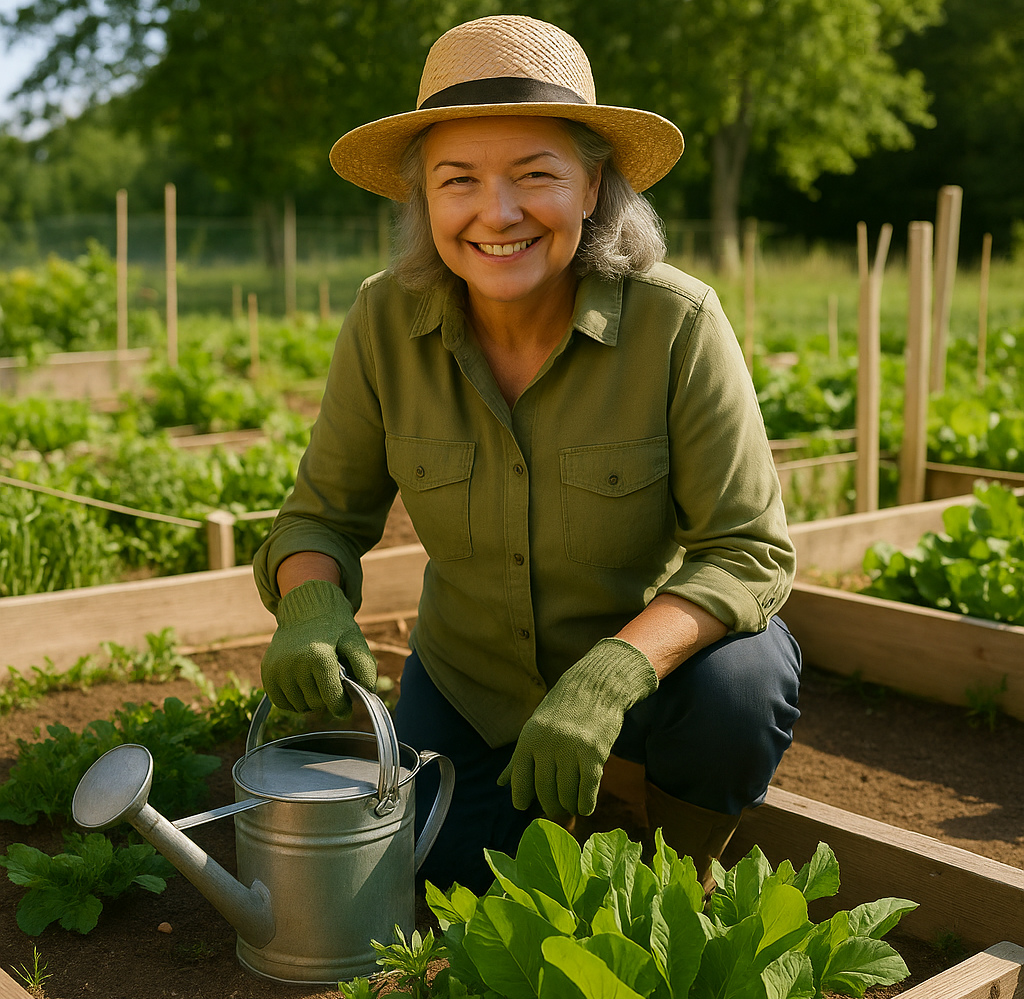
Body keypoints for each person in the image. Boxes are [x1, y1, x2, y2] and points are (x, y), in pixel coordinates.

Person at [253, 13, 801, 895]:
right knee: (450, 893)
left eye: (535, 176)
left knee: (748, 674)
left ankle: (683, 871)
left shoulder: (676, 322)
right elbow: (322, 513)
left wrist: (613, 674)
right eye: (457, 180)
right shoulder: (384, 320)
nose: (496, 213)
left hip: (649, 689)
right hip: (471, 682)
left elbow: (749, 549)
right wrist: (311, 602)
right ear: (424, 199)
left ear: (592, 189)